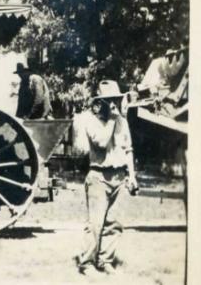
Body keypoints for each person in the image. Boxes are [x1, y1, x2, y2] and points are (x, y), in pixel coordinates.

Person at [72, 80, 138, 276]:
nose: (113, 105)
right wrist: (111, 120)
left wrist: (132, 175)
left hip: (119, 176)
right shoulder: (90, 121)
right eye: (109, 101)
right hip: (98, 177)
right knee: (95, 224)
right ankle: (87, 264)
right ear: (99, 102)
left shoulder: (122, 121)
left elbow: (128, 149)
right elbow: (101, 141)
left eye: (115, 100)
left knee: (114, 223)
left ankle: (106, 261)